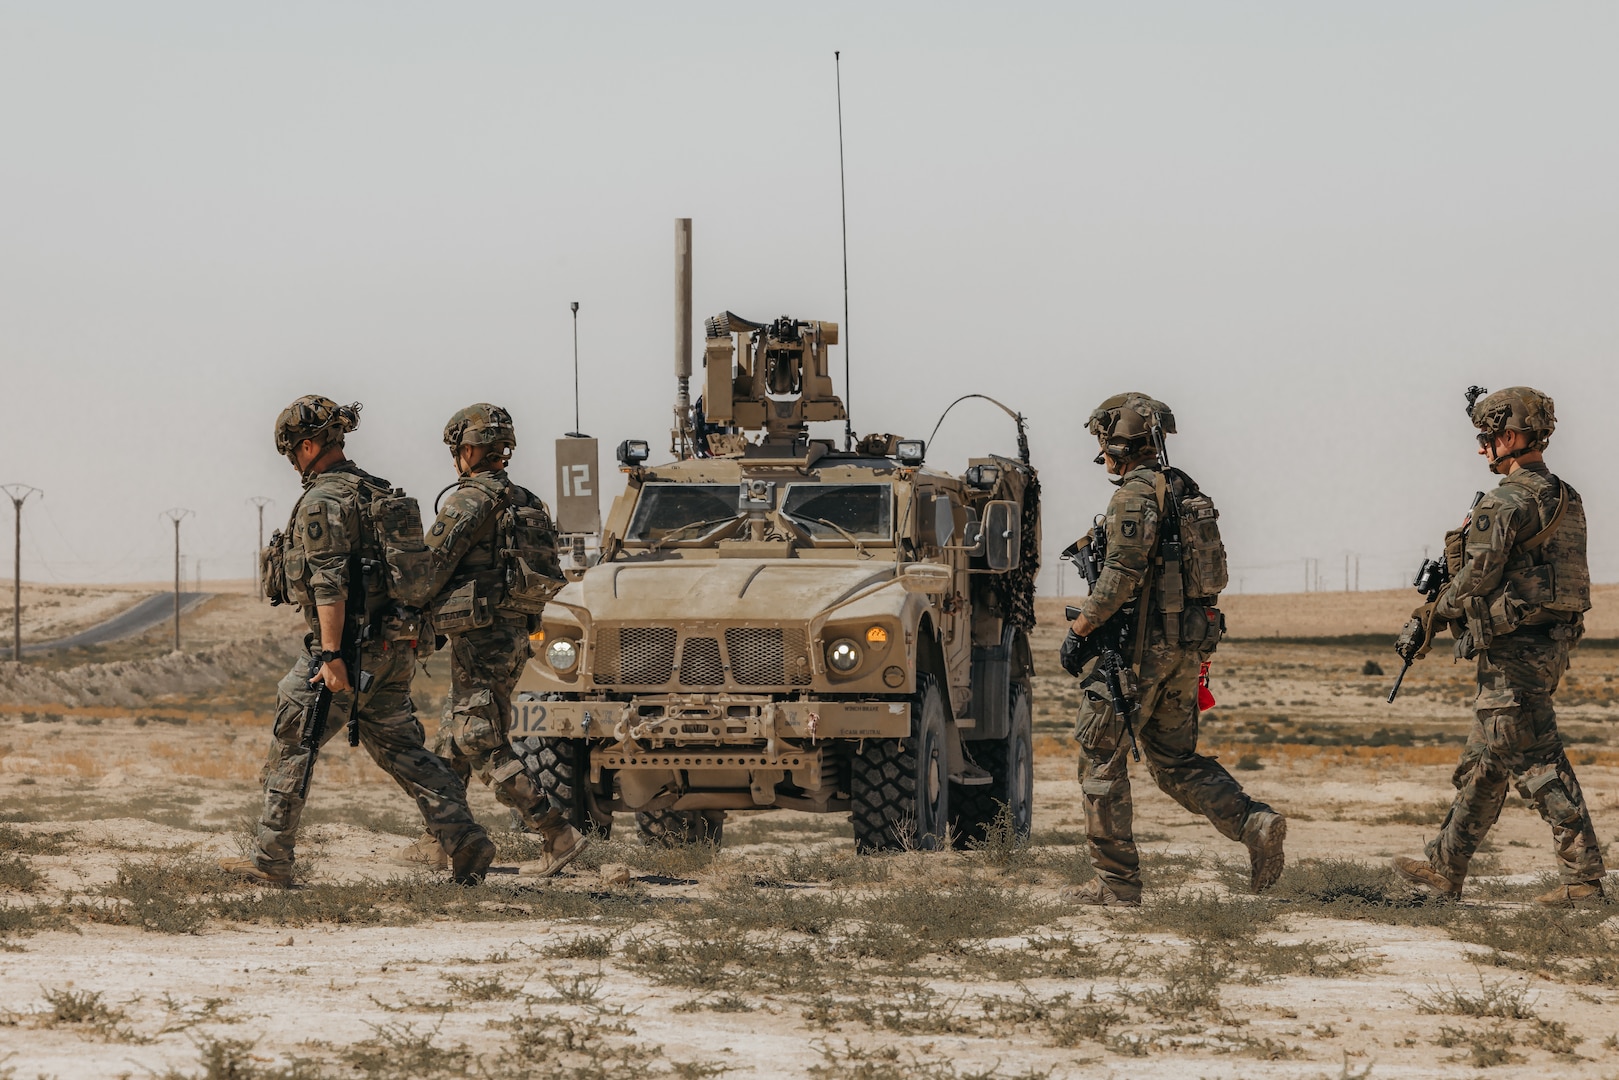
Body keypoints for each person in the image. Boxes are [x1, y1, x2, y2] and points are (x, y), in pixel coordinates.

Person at [221, 395, 495, 887]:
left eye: (291, 452)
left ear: (306, 446)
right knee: (403, 749)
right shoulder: (378, 491)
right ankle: (464, 837)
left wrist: (330, 656)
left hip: (346, 651)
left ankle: (270, 861)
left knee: (294, 739)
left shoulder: (324, 500)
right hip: (393, 651)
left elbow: (328, 582)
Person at [1061, 392, 1285, 906]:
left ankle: (1116, 884)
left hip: (1134, 655)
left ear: (1118, 441)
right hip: (1183, 652)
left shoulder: (1134, 497)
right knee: (1174, 759)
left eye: (1104, 441)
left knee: (1101, 761)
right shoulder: (1183, 490)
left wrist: (1081, 632)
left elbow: (1121, 573)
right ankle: (1254, 823)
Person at [1394, 386, 1606, 905]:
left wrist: (1432, 614)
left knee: (1535, 760)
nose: (1481, 448)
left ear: (1510, 436)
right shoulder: (1565, 494)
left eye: (1486, 437)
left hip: (1515, 651)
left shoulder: (1505, 500)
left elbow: (1476, 579)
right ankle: (1445, 867)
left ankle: (1583, 882)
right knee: (1487, 760)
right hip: (1549, 642)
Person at [405, 403, 587, 878]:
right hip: (513, 634)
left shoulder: (469, 501)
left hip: (481, 635)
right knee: (452, 735)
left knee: (477, 735)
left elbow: (429, 568)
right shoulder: (527, 500)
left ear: (467, 450)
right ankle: (438, 839)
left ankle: (555, 832)